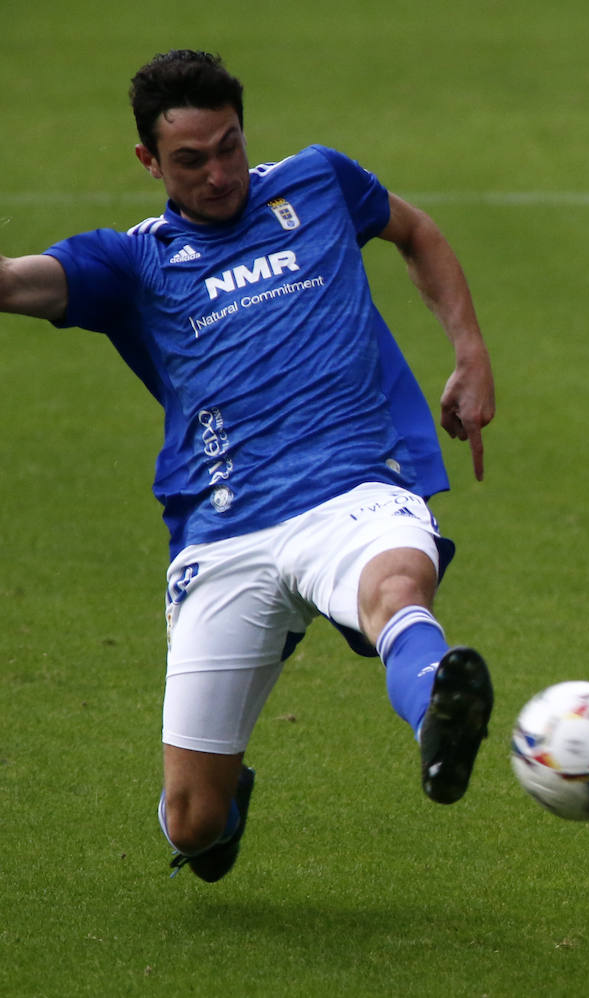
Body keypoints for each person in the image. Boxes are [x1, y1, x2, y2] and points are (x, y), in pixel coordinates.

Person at [0, 50, 498, 883]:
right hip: (225, 530)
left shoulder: (317, 182)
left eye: (228, 146)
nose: (220, 173)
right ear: (148, 163)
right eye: (191, 160)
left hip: (351, 490)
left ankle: (441, 716)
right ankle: (225, 803)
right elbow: (17, 283)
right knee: (192, 826)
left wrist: (470, 351)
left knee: (398, 585)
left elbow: (415, 231)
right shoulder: (131, 262)